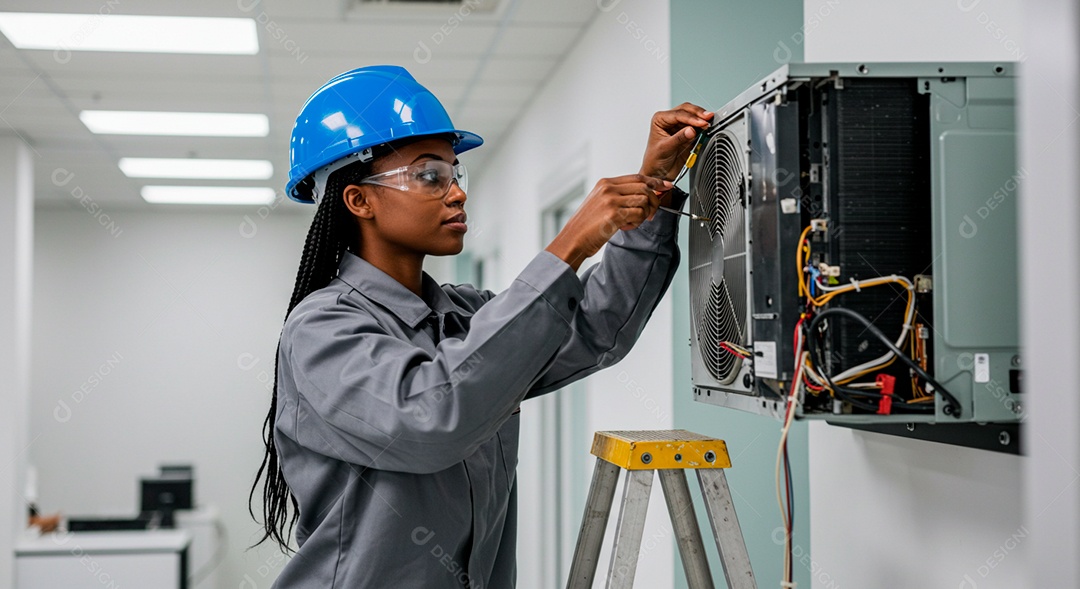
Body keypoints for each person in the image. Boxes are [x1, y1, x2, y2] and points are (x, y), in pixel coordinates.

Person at [249, 64, 713, 588]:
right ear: (359, 200)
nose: (456, 192)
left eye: (454, 173)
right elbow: (431, 418)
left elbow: (596, 328)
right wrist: (569, 246)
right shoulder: (321, 330)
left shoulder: (462, 317)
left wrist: (654, 184)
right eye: (430, 175)